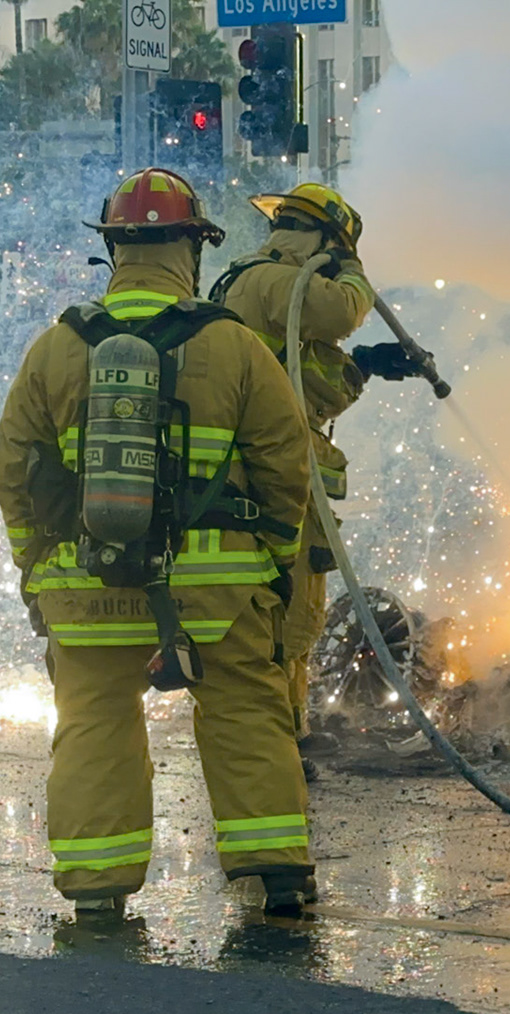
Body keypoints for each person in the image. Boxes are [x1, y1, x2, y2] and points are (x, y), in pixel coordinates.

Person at [0, 168, 317, 915]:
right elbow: (286, 461)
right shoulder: (234, 345)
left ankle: (96, 887)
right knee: (244, 712)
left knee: (93, 723)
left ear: (115, 247)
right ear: (192, 247)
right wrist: (272, 558)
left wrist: (34, 568)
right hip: (217, 592)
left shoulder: (55, 347)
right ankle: (277, 875)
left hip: (86, 588)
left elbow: (12, 473)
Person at [209, 183, 428, 768]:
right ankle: (275, 739)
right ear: (326, 240)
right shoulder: (273, 280)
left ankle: (291, 725)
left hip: (274, 470)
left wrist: (365, 366)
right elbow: (343, 309)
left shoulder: (262, 285)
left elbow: (303, 387)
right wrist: (352, 269)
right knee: (287, 612)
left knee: (296, 606)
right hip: (272, 475)